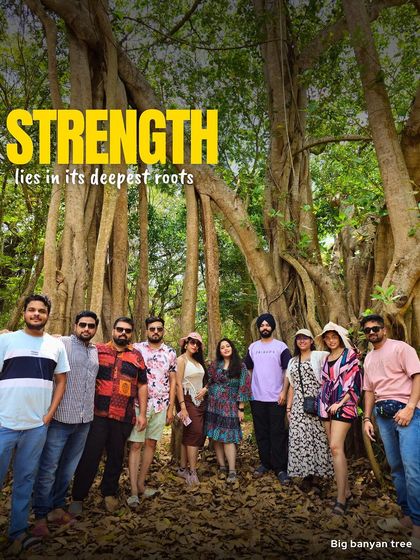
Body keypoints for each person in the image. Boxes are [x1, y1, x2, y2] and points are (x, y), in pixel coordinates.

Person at [0, 294, 69, 553]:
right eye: (32, 310)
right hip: (4, 423)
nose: (36, 314)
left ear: (48, 314)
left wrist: (50, 413)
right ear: (25, 313)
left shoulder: (55, 346)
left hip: (36, 426)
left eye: (41, 310)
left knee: (25, 480)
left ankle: (17, 531)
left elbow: (61, 380)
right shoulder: (6, 340)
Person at [69, 317, 148, 514]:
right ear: (113, 330)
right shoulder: (97, 351)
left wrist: (143, 414)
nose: (123, 333)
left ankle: (109, 492)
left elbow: (142, 385)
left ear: (131, 334)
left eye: (127, 331)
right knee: (90, 456)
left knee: (115, 456)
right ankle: (78, 497)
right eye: (119, 329)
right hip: (97, 414)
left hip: (123, 416)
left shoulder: (137, 356)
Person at [31, 311, 99, 537]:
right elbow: (36, 338)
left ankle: (57, 508)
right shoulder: (62, 343)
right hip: (60, 418)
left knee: (67, 469)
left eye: (91, 326)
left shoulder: (94, 350)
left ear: (95, 328)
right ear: (75, 325)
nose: (86, 329)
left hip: (84, 420)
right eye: (82, 325)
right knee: (49, 467)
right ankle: (40, 514)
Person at [361, 314, 420, 553]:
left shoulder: (401, 348)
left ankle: (417, 527)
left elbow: (417, 377)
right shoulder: (368, 359)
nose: (372, 332)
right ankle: (406, 515)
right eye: (367, 330)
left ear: (384, 329)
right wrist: (367, 418)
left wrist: (410, 408)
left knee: (413, 468)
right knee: (396, 467)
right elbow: (369, 391)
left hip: (407, 413)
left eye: (375, 328)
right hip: (383, 415)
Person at [127, 316, 177, 507]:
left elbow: (173, 381)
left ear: (163, 330)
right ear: (147, 330)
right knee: (135, 446)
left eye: (159, 329)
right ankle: (132, 491)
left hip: (161, 405)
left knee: (151, 445)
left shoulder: (170, 352)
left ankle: (141, 484)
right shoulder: (137, 349)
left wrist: (171, 407)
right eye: (152, 329)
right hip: (140, 405)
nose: (155, 332)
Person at [316, 322, 361, 515]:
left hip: (344, 404)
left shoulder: (350, 355)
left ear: (340, 337)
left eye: (334, 336)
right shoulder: (326, 358)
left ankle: (341, 499)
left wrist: (341, 402)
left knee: (335, 446)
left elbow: (354, 383)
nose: (331, 340)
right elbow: (326, 381)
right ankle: (347, 491)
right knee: (334, 450)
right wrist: (325, 403)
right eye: (328, 337)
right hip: (326, 405)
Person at [244, 313, 292, 484]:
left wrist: (284, 392)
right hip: (257, 397)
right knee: (261, 433)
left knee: (277, 433)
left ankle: (280, 468)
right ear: (258, 328)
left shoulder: (281, 347)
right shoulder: (253, 347)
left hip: (276, 398)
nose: (264, 327)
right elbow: (248, 369)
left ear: (272, 327)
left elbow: (288, 370)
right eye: (262, 325)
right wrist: (249, 389)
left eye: (267, 325)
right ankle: (265, 463)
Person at [285, 329, 333, 490]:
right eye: (299, 338)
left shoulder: (320, 355)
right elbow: (292, 385)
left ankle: (320, 475)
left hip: (318, 402)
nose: (302, 341)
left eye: (305, 338)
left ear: (312, 341)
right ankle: (306, 475)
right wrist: (288, 408)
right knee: (300, 438)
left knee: (317, 437)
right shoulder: (292, 361)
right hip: (299, 404)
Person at [204, 338, 251, 483]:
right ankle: (222, 466)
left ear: (232, 348)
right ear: (219, 351)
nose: (225, 349)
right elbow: (210, 380)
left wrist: (241, 408)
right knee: (216, 436)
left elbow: (244, 386)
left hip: (230, 406)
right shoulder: (215, 365)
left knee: (228, 437)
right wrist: (205, 389)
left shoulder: (240, 366)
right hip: (213, 404)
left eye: (228, 346)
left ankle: (232, 470)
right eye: (222, 347)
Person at [176, 331, 207, 486]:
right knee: (195, 432)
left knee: (192, 433)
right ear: (186, 343)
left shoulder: (198, 362)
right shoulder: (181, 360)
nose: (195, 345)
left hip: (200, 402)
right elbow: (178, 384)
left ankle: (182, 468)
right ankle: (192, 471)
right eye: (192, 342)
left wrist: (205, 390)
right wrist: (182, 406)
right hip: (187, 401)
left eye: (198, 343)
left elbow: (206, 380)